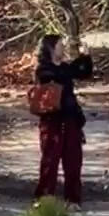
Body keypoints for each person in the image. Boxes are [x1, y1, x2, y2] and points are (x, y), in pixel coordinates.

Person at [34, 32, 94, 205]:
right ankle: (44, 198)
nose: (63, 47)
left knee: (73, 160)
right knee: (50, 160)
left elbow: (83, 73)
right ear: (51, 48)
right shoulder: (43, 69)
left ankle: (73, 200)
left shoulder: (64, 68)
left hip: (70, 119)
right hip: (52, 120)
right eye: (60, 45)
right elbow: (57, 77)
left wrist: (86, 56)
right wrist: (74, 64)